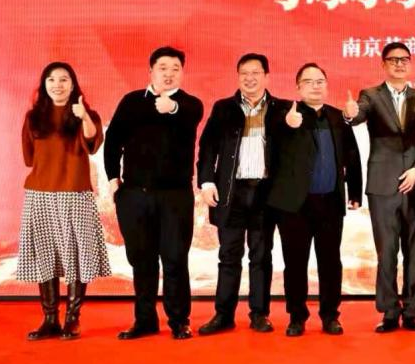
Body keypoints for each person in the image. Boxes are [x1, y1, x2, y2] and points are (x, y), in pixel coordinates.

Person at [105, 46, 204, 340]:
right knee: (141, 260)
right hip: (134, 195)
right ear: (151, 71)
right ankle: (145, 320)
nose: (169, 74)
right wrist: (113, 179)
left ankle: (179, 321)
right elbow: (113, 141)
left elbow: (188, 117)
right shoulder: (131, 102)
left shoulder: (190, 105)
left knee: (175, 259)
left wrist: (170, 108)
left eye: (175, 68)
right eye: (163, 68)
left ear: (182, 73)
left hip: (175, 197)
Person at [18, 62, 111, 340]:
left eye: (64, 79)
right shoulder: (34, 118)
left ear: (73, 85)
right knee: (44, 256)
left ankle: (72, 319)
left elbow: (93, 144)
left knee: (77, 255)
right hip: (40, 194)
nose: (57, 85)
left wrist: (84, 117)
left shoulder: (86, 115)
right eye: (51, 79)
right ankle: (50, 319)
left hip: (75, 193)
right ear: (44, 85)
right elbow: (28, 158)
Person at [268, 63, 363, 337]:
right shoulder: (285, 115)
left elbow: (352, 155)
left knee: (330, 263)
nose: (315, 86)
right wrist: (287, 125)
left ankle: (330, 316)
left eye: (320, 81)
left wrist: (355, 193)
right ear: (298, 87)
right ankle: (296, 317)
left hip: (330, 203)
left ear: (327, 85)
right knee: (295, 264)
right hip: (295, 206)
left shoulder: (336, 117)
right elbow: (272, 143)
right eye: (308, 81)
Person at [196, 54, 285, 336]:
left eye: (255, 73)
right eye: (244, 73)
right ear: (238, 77)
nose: (250, 78)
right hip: (231, 193)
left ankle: (259, 314)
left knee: (261, 256)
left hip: (265, 194)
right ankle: (223, 315)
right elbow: (207, 148)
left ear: (266, 76)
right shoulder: (223, 108)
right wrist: (206, 182)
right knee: (229, 255)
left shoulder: (282, 109)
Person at [345, 42, 415, 333]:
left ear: (410, 63)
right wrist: (350, 114)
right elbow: (358, 114)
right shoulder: (371, 95)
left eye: (404, 59)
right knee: (387, 252)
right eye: (393, 60)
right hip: (382, 184)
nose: (399, 64)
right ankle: (390, 312)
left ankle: (412, 312)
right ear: (383, 64)